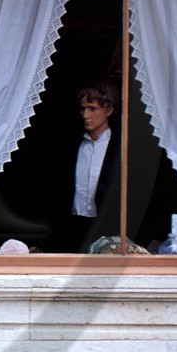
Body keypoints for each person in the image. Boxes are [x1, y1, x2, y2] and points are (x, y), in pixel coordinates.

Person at [61, 82, 121, 253]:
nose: (86, 115)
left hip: (107, 229)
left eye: (93, 109)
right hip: (73, 226)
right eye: (83, 109)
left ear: (108, 110)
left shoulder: (120, 149)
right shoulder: (74, 145)